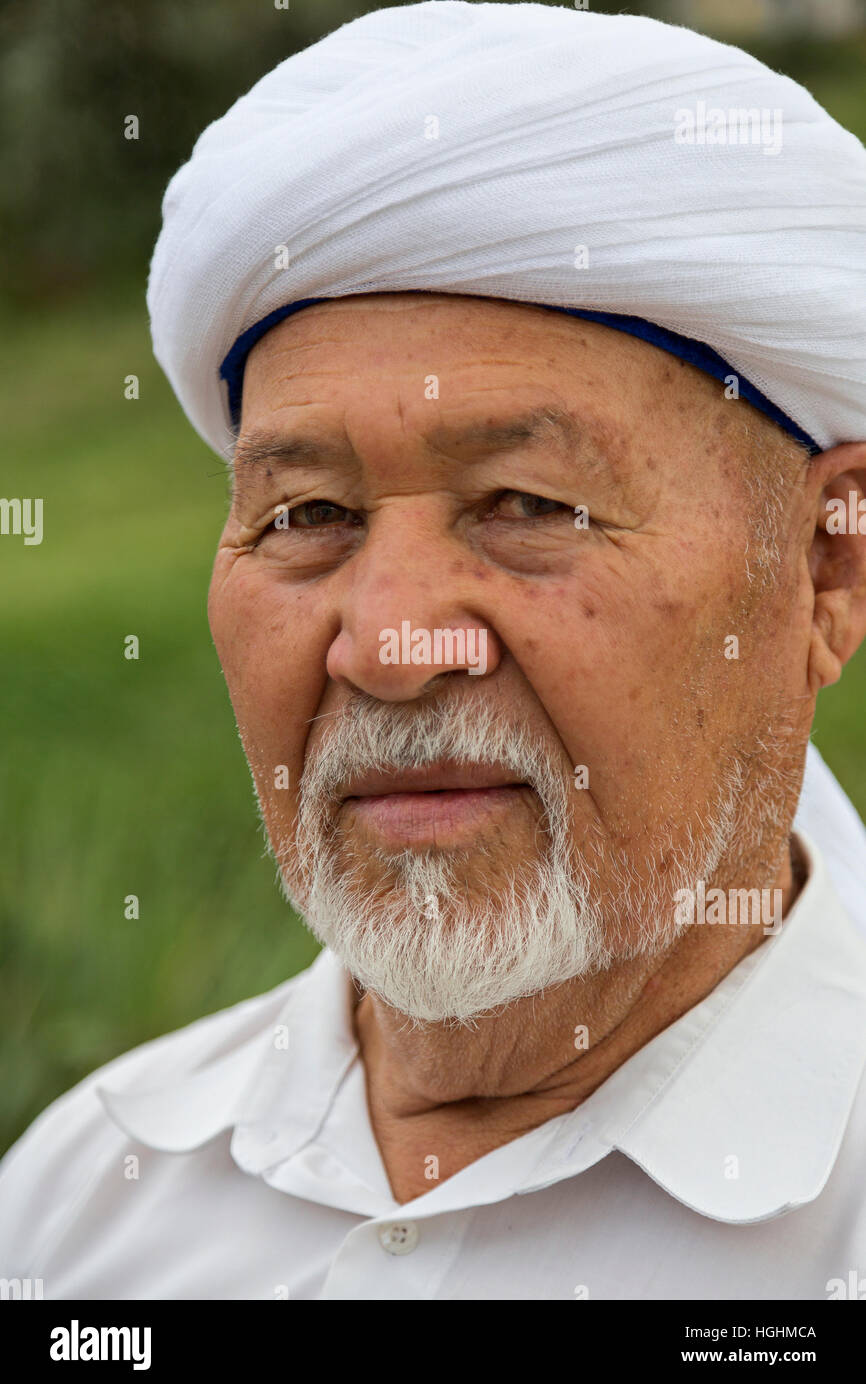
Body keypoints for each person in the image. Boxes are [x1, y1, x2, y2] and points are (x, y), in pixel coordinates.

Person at [2, 1, 865, 1300]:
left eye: (528, 506)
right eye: (307, 517)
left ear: (823, 566)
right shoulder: (86, 1194)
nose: (390, 647)